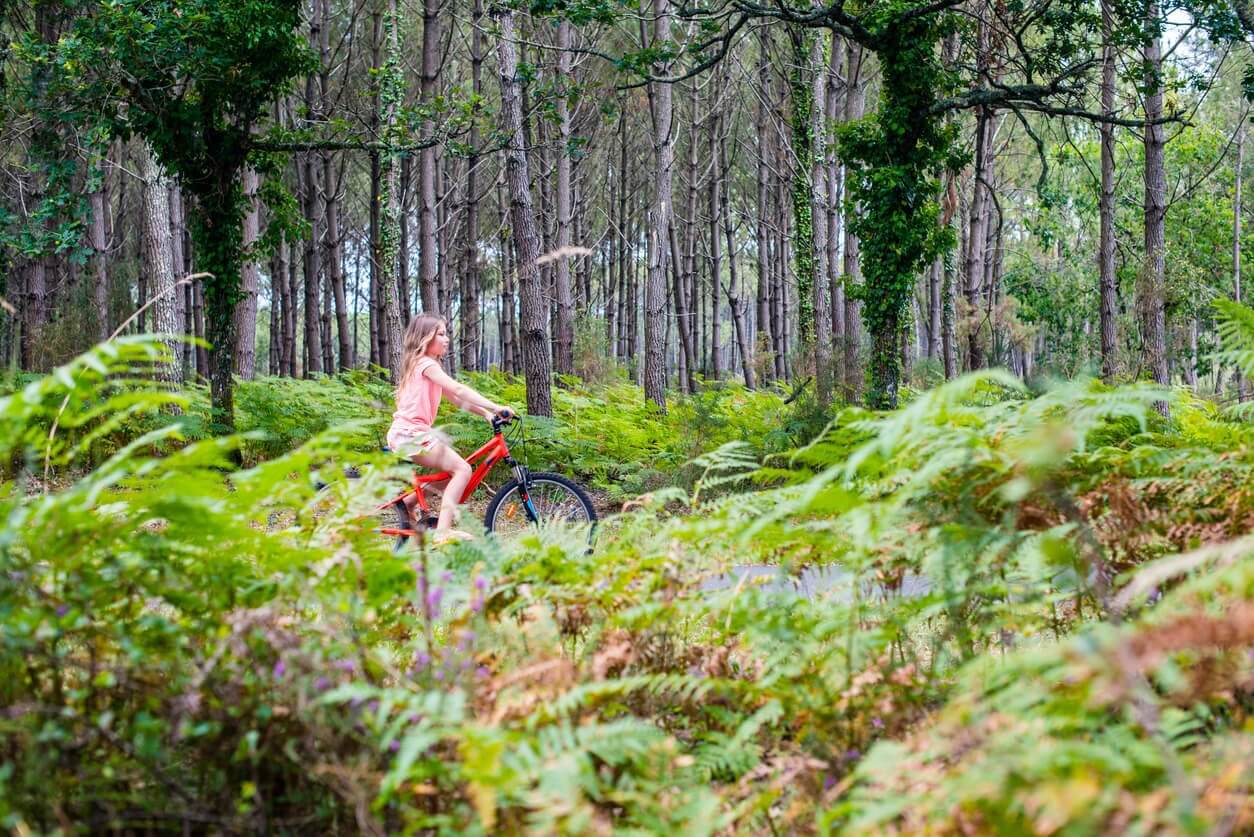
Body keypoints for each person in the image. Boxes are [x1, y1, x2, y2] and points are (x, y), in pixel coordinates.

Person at [387, 313, 514, 543]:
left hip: (409, 434)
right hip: (410, 434)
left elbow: (457, 400)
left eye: (447, 334)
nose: (447, 339)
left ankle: (409, 504)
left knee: (451, 473)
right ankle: (443, 533)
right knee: (463, 470)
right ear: (426, 338)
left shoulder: (426, 365)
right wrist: (496, 407)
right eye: (442, 334)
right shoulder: (425, 364)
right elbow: (459, 390)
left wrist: (486, 414)